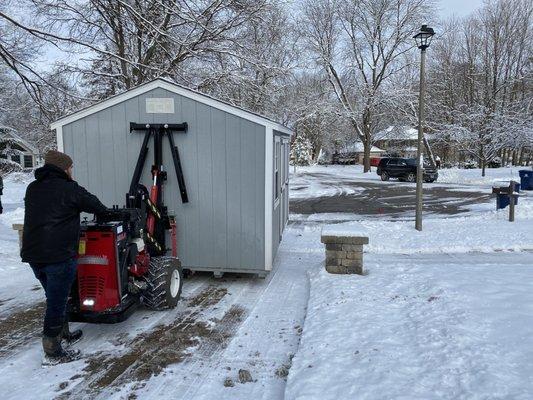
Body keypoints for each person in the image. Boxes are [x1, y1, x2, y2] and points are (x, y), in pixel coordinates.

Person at [21, 150, 107, 365]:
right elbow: (97, 206)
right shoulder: (69, 188)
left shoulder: (33, 188)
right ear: (64, 168)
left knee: (56, 296)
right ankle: (53, 351)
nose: (71, 171)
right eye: (70, 168)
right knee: (57, 301)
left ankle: (63, 334)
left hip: (34, 255)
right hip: (58, 255)